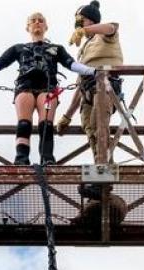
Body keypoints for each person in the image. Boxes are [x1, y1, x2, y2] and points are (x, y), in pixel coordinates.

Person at [0, 12, 95, 165]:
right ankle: (21, 157)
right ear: (28, 27)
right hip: (24, 87)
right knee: (24, 123)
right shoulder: (18, 48)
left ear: (46, 26)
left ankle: (47, 157)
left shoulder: (57, 49)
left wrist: (92, 71)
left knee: (46, 124)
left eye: (40, 21)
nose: (37, 23)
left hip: (47, 89)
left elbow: (71, 64)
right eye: (33, 21)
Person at [56, 1, 124, 160]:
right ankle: (101, 165)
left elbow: (111, 28)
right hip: (87, 90)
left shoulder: (105, 35)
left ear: (90, 20)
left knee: (98, 125)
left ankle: (104, 170)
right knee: (90, 128)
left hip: (104, 87)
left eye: (81, 21)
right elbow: (80, 82)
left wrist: (84, 30)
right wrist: (68, 115)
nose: (78, 26)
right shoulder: (84, 49)